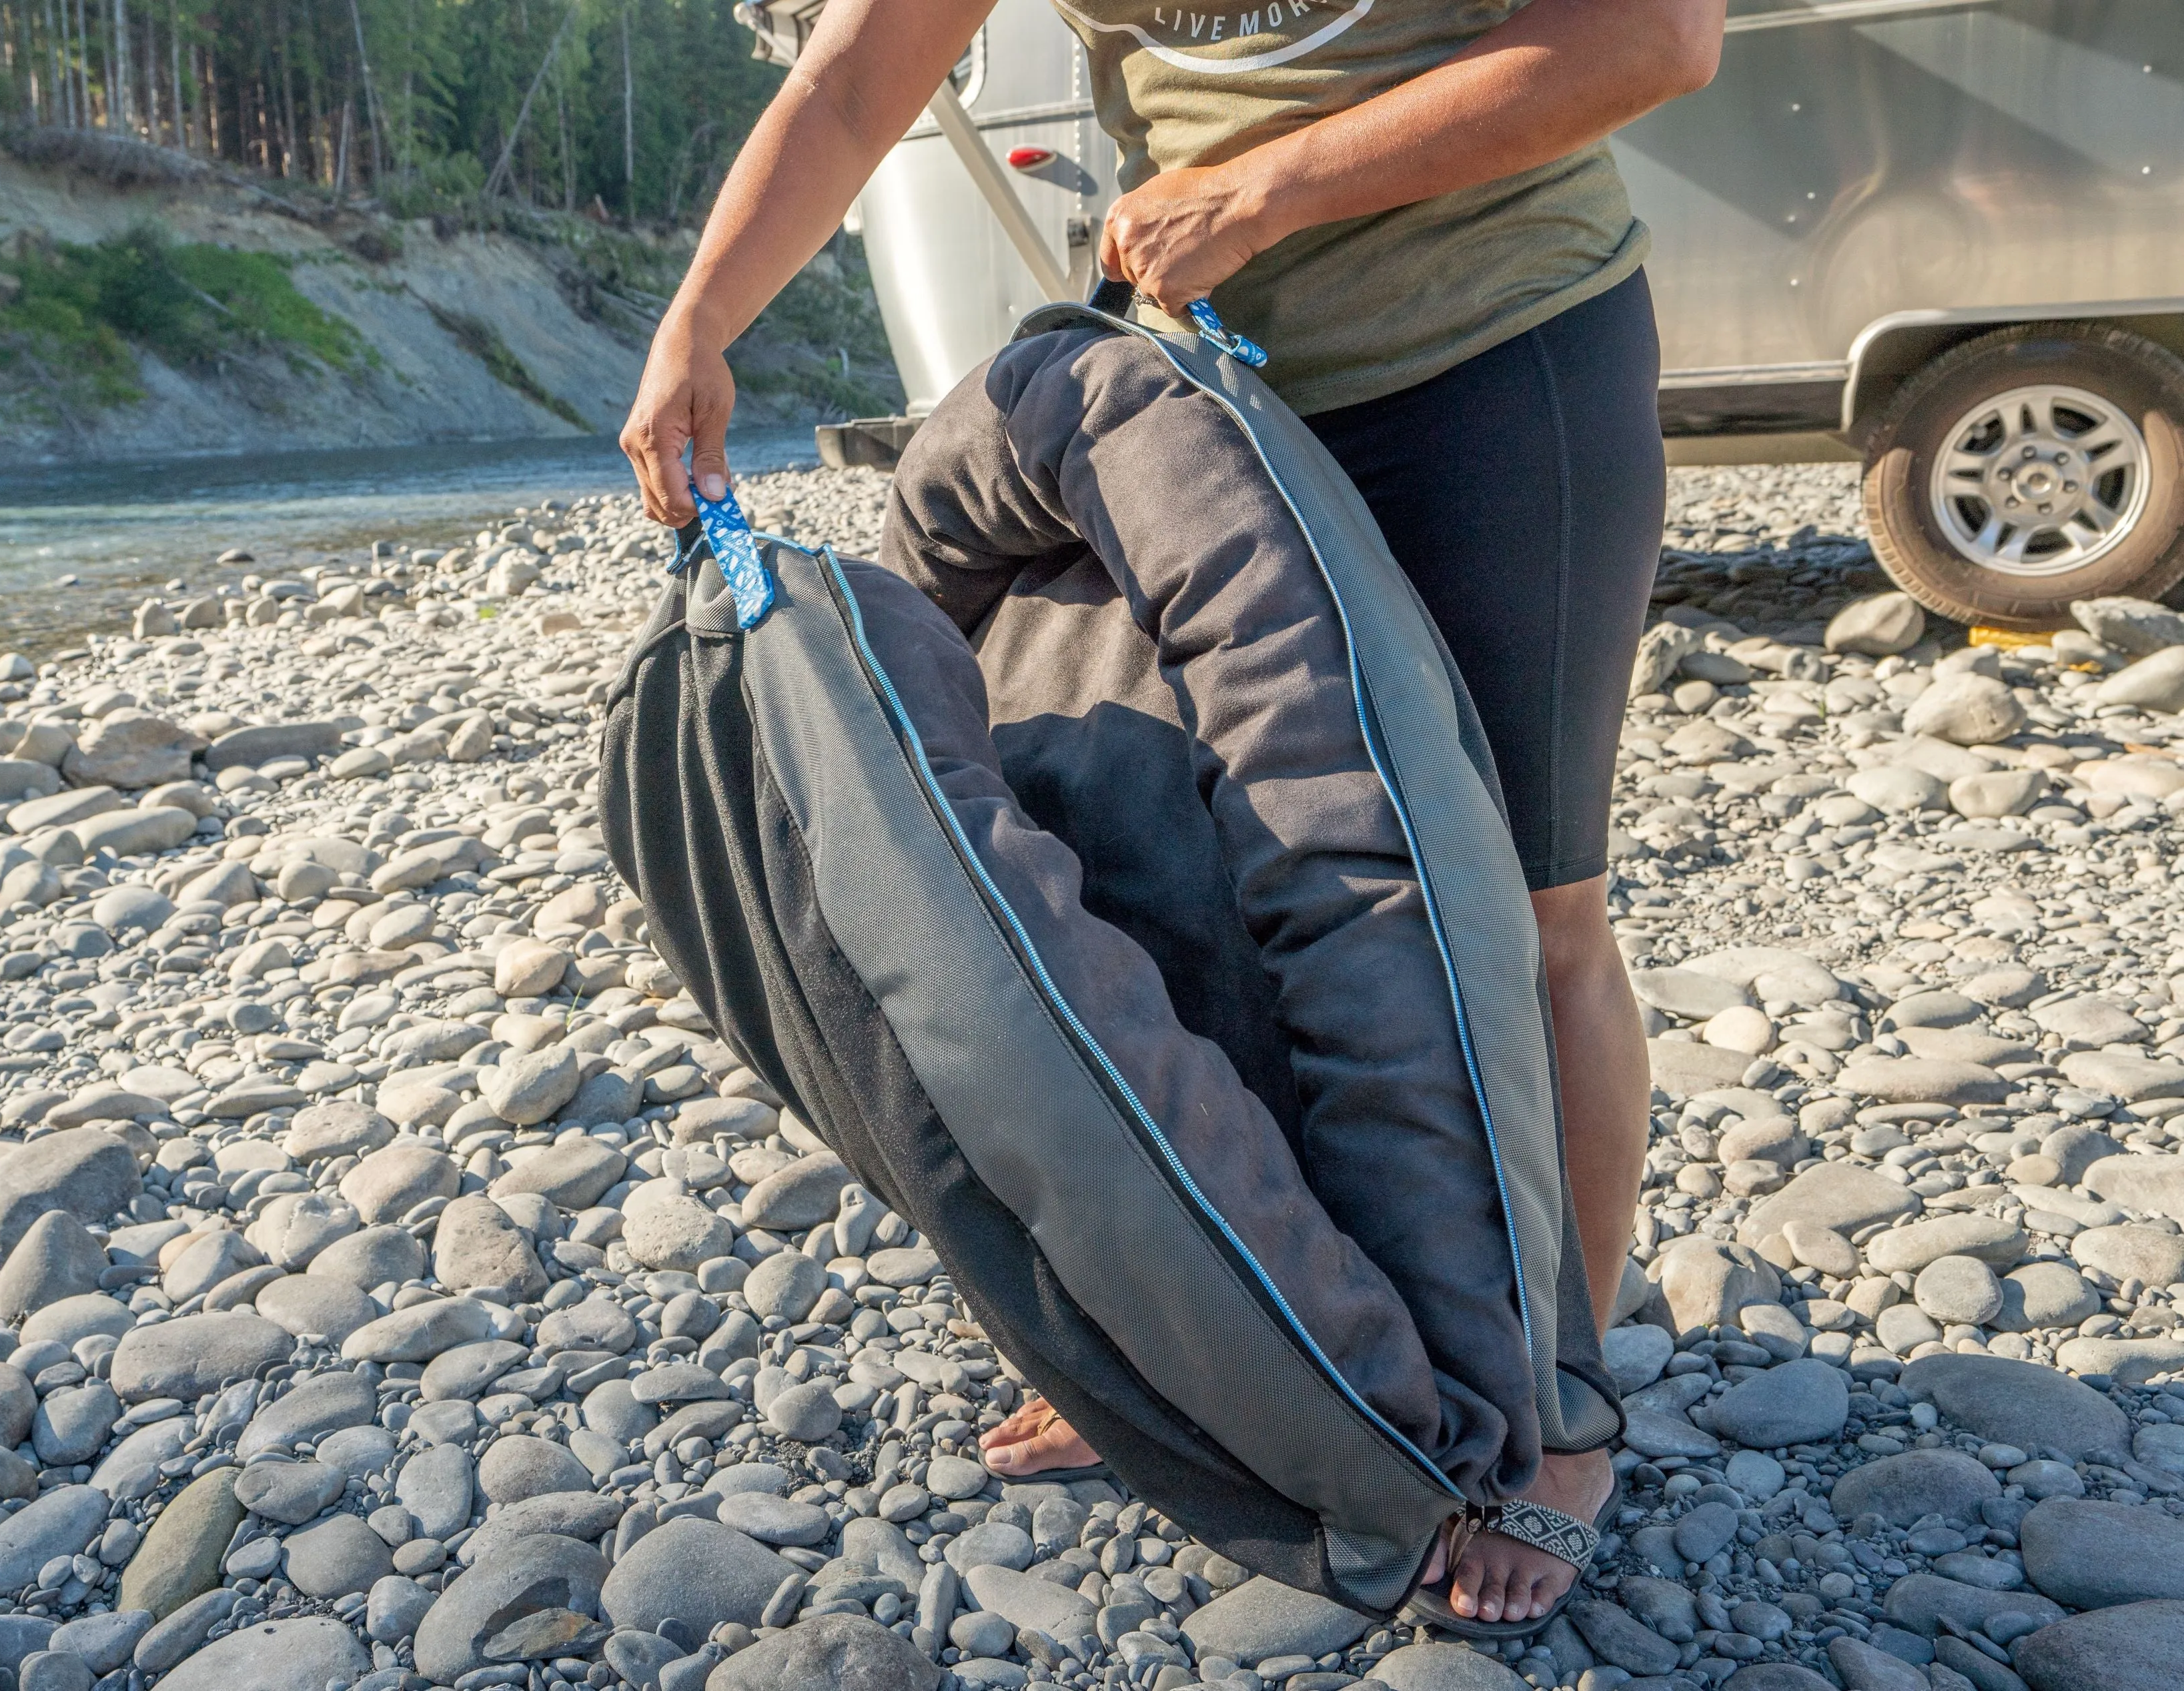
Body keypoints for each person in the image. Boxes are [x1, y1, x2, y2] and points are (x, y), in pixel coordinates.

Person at [619, 0, 1727, 1633]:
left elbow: (1651, 43)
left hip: (1487, 366)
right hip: (1187, 397)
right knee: (1178, 881)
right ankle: (1207, 1338)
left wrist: (1273, 186)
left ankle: (1550, 1420)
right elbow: (859, 72)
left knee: (1524, 906)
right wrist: (699, 320)